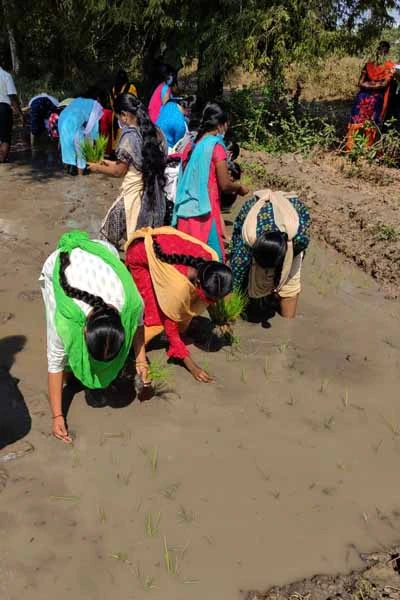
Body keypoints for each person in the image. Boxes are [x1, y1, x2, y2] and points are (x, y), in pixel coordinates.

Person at [39, 230, 150, 443]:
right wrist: (57, 416)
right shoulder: (65, 320)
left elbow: (138, 325)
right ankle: (75, 368)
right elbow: (54, 363)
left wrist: (141, 359)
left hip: (101, 253)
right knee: (63, 355)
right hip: (58, 268)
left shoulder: (132, 303)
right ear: (83, 330)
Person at [126, 226, 232, 382]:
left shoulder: (211, 259)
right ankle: (131, 349)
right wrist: (193, 367)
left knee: (184, 308)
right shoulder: (176, 288)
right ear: (198, 284)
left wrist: (220, 318)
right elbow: (171, 329)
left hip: (162, 247)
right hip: (139, 256)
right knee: (154, 317)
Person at [88, 94, 167, 249]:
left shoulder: (130, 136)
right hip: (154, 194)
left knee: (106, 237)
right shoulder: (155, 131)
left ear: (124, 115)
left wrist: (96, 168)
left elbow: (119, 171)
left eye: (118, 116)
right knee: (146, 242)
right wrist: (108, 163)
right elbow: (139, 163)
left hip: (133, 197)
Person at [172, 103, 248, 262]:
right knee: (215, 259)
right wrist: (239, 187)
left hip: (186, 206)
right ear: (221, 125)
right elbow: (225, 184)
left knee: (191, 257)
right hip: (204, 209)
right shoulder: (216, 147)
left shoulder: (195, 144)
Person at [230, 189, 311, 320]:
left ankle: (288, 322)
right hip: (255, 223)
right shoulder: (248, 241)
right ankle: (258, 306)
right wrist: (230, 310)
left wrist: (280, 279)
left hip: (290, 231)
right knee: (256, 283)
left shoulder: (299, 238)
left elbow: (300, 257)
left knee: (290, 286)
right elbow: (236, 276)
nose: (269, 271)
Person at [346, 41, 395, 150]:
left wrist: (368, 84)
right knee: (358, 122)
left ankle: (363, 149)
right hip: (367, 98)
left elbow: (383, 84)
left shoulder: (388, 66)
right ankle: (355, 148)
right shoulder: (370, 65)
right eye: (381, 50)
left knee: (368, 124)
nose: (382, 52)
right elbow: (362, 83)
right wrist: (375, 84)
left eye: (384, 50)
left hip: (369, 97)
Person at [58, 90, 103, 175]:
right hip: (73, 127)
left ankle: (68, 172)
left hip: (62, 123)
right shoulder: (95, 105)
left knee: (67, 148)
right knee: (81, 152)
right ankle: (80, 177)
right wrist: (96, 147)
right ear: (97, 98)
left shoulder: (78, 101)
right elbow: (93, 128)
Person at [0, 54, 22, 163]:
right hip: (3, 108)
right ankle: (2, 160)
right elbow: (12, 96)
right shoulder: (6, 75)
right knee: (5, 137)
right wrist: (20, 113)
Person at [109, 69, 138, 151]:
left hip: (115, 116)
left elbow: (112, 104)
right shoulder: (131, 87)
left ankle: (116, 152)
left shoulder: (112, 89)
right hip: (127, 115)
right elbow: (134, 101)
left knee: (116, 137)